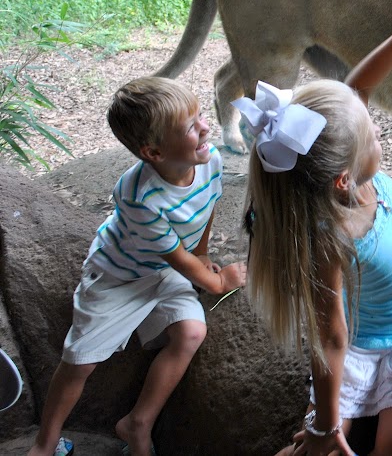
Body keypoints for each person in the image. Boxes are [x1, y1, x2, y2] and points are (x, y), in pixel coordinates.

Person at [236, 0, 392, 456]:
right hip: (357, 342)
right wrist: (323, 423)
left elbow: (352, 96)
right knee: (315, 445)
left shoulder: (332, 159)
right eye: (374, 135)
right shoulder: (329, 237)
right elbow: (331, 336)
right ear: (343, 178)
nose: (376, 131)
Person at [27, 77, 247, 456]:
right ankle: (44, 444)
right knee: (80, 361)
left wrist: (204, 252)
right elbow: (175, 257)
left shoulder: (209, 160)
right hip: (118, 277)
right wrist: (217, 282)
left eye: (200, 116)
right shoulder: (140, 197)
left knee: (192, 333)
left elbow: (207, 208)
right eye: (191, 126)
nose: (206, 126)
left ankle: (138, 422)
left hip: (162, 271)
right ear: (154, 152)